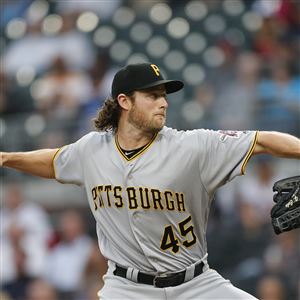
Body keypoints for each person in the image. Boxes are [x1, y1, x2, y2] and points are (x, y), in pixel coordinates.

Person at [1, 63, 299, 299]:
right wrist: (6, 158)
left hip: (195, 284)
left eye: (164, 95)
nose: (163, 103)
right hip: (127, 289)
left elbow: (263, 140)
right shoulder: (91, 150)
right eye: (152, 95)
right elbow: (53, 161)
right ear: (124, 101)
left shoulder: (192, 147)